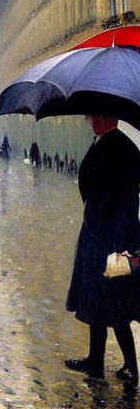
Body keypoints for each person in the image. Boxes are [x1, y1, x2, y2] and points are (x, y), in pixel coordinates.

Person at [64, 115, 140, 384]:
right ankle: (95, 359)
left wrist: (117, 246)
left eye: (97, 117)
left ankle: (131, 365)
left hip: (112, 240)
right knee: (97, 300)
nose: (91, 121)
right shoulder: (104, 143)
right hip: (99, 235)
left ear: (109, 119)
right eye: (91, 117)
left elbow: (125, 201)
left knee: (115, 302)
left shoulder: (122, 148)